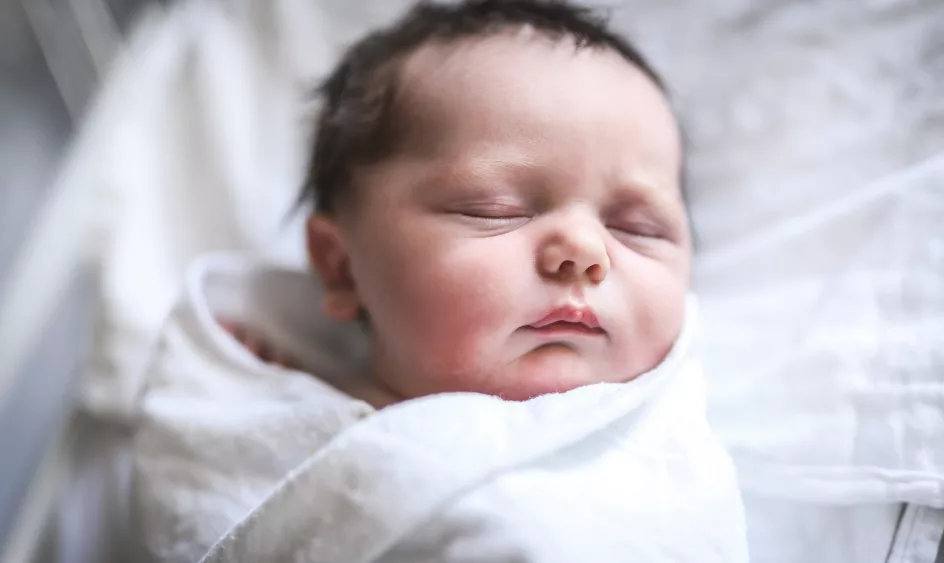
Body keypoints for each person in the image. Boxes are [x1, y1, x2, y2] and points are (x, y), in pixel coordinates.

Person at [130, 2, 746, 561]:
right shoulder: (278, 421)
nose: (586, 252)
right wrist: (263, 403)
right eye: (493, 210)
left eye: (638, 227)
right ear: (344, 267)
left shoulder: (656, 470)